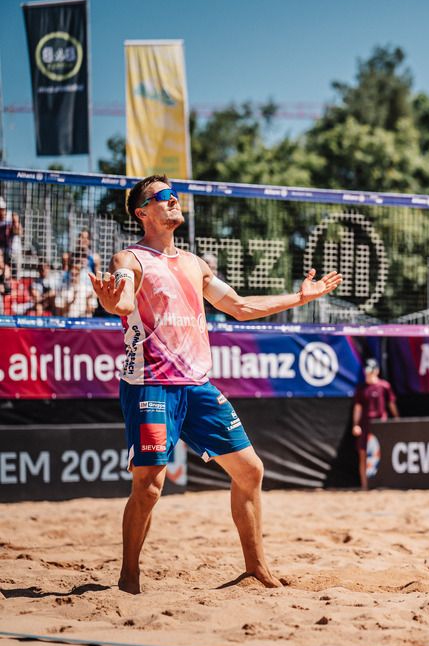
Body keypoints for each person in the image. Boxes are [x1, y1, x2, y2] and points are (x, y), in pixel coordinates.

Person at [88, 174, 341, 594]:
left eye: (174, 194)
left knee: (250, 471)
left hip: (196, 384)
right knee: (149, 487)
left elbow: (239, 307)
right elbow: (125, 299)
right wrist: (113, 302)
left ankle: (256, 568)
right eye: (162, 196)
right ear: (142, 212)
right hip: (151, 383)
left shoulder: (194, 263)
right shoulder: (129, 259)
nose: (173, 200)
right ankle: (129, 577)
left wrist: (299, 298)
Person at [351, 358, 399, 491]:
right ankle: (365, 487)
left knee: (384, 455)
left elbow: (391, 404)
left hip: (381, 426)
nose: (368, 372)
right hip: (365, 425)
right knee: (363, 456)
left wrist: (397, 420)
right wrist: (355, 425)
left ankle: (383, 485)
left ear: (377, 371)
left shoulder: (384, 386)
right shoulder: (361, 388)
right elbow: (358, 408)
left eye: (371, 369)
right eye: (366, 369)